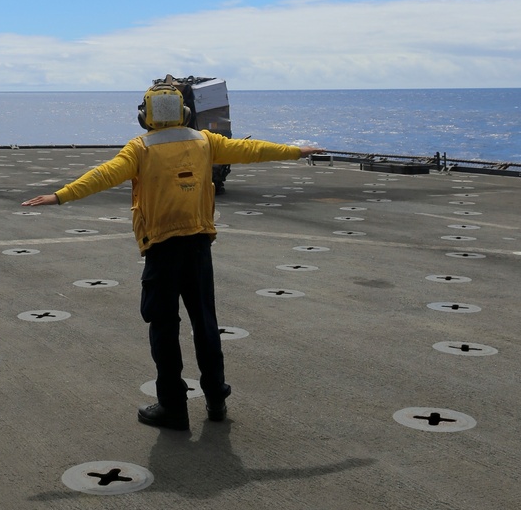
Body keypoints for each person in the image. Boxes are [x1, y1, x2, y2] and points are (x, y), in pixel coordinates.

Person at [23, 82, 325, 431]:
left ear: (144, 117)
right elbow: (251, 150)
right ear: (184, 113)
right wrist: (295, 151)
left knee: (164, 328)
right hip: (198, 246)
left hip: (162, 250)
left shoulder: (140, 148)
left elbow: (102, 176)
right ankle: (215, 400)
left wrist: (61, 195)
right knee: (205, 323)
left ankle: (173, 407)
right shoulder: (205, 141)